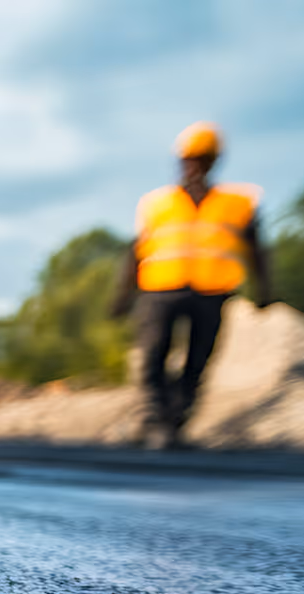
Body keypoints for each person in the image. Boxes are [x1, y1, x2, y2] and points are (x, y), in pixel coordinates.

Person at [110, 122, 274, 450]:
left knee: (197, 361)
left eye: (202, 159)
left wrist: (265, 289)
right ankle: (154, 418)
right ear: (180, 160)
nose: (194, 165)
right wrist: (123, 295)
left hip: (212, 291)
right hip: (160, 290)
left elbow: (256, 248)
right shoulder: (156, 203)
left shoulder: (238, 202)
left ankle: (174, 422)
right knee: (154, 355)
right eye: (189, 158)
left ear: (214, 162)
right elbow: (136, 250)